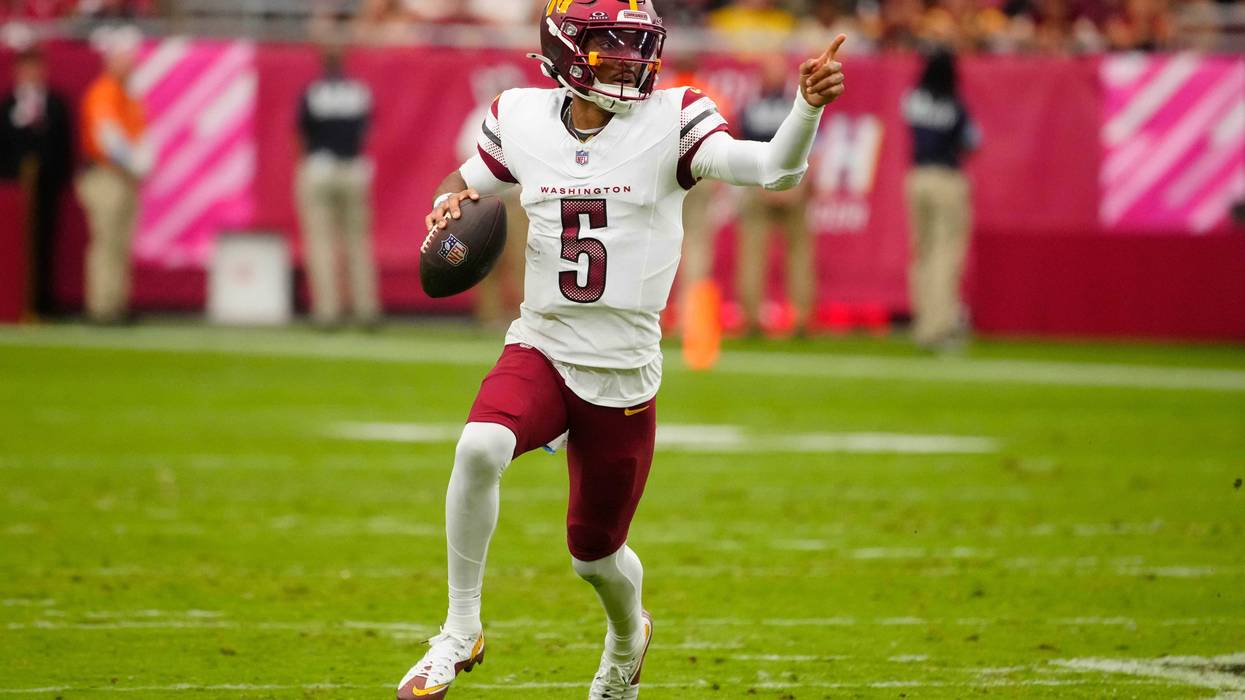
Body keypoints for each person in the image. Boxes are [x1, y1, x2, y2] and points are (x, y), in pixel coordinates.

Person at [395, 1, 847, 698]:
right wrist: (446, 206)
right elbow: (463, 184)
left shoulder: (671, 121)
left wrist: (805, 108)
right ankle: (458, 631)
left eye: (636, 48)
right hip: (543, 341)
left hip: (623, 369)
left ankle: (627, 637)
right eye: (610, 48)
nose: (629, 64)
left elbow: (774, 172)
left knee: (594, 555)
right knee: (478, 447)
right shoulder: (518, 116)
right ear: (566, 51)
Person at [296, 43, 380, 329]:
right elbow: (367, 127)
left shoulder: (314, 92)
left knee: (321, 243)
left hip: (320, 167)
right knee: (357, 244)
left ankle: (327, 311)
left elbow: (302, 131)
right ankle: (365, 309)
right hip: (353, 168)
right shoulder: (358, 92)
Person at [902, 49, 979, 351]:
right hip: (946, 179)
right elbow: (973, 141)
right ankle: (941, 326)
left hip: (917, 178)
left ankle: (923, 324)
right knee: (946, 254)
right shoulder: (955, 105)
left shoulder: (913, 99)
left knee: (923, 252)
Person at [735, 52, 816, 337]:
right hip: (790, 184)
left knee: (755, 252)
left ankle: (755, 319)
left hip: (761, 184)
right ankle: (800, 319)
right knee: (797, 253)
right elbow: (812, 147)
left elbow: (740, 149)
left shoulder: (751, 107)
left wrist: (762, 184)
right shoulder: (799, 107)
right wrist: (799, 185)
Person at [76, 26, 148, 325]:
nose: (130, 63)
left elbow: (140, 136)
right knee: (106, 242)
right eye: (124, 57)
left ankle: (115, 302)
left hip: (123, 178)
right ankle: (101, 307)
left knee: (120, 243)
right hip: (105, 175)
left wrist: (141, 164)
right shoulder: (104, 92)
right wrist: (137, 164)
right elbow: (110, 140)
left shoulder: (128, 96)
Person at [0, 47, 73, 318]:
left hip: (46, 189)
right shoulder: (7, 105)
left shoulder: (55, 104)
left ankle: (42, 303)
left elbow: (63, 146)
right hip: (13, 193)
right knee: (13, 247)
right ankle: (12, 300)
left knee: (45, 245)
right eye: (25, 68)